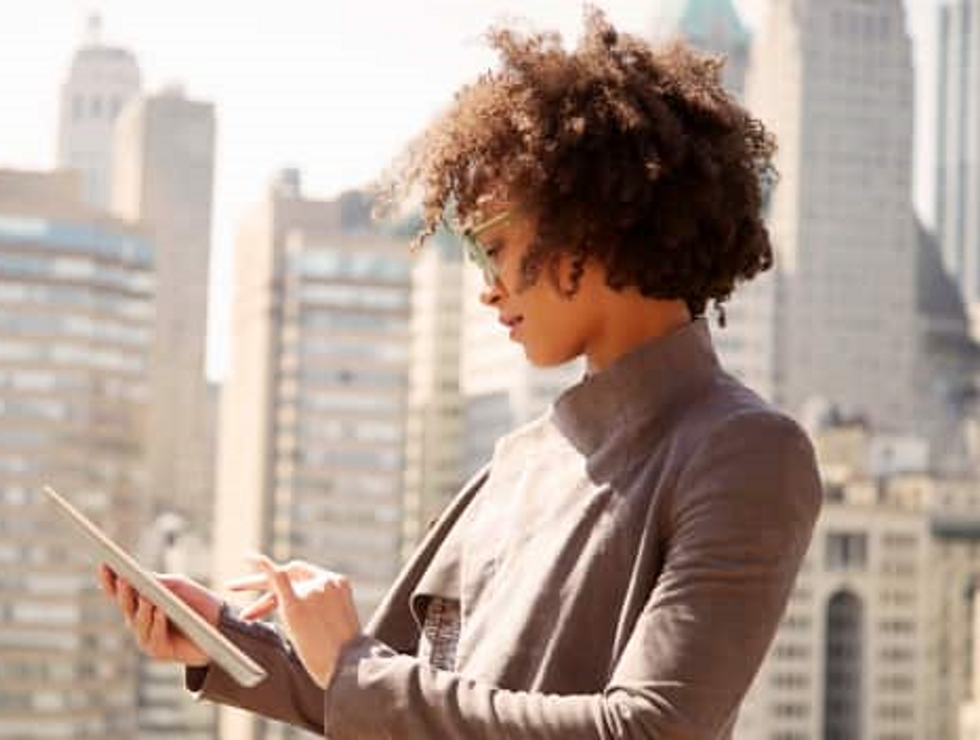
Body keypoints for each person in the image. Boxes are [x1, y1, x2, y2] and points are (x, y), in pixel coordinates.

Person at [97, 8, 822, 738]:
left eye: (492, 245)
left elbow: (648, 729)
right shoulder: (520, 460)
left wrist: (352, 665)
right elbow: (389, 696)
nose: (486, 284)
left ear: (597, 226)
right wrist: (227, 640)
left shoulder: (747, 453)